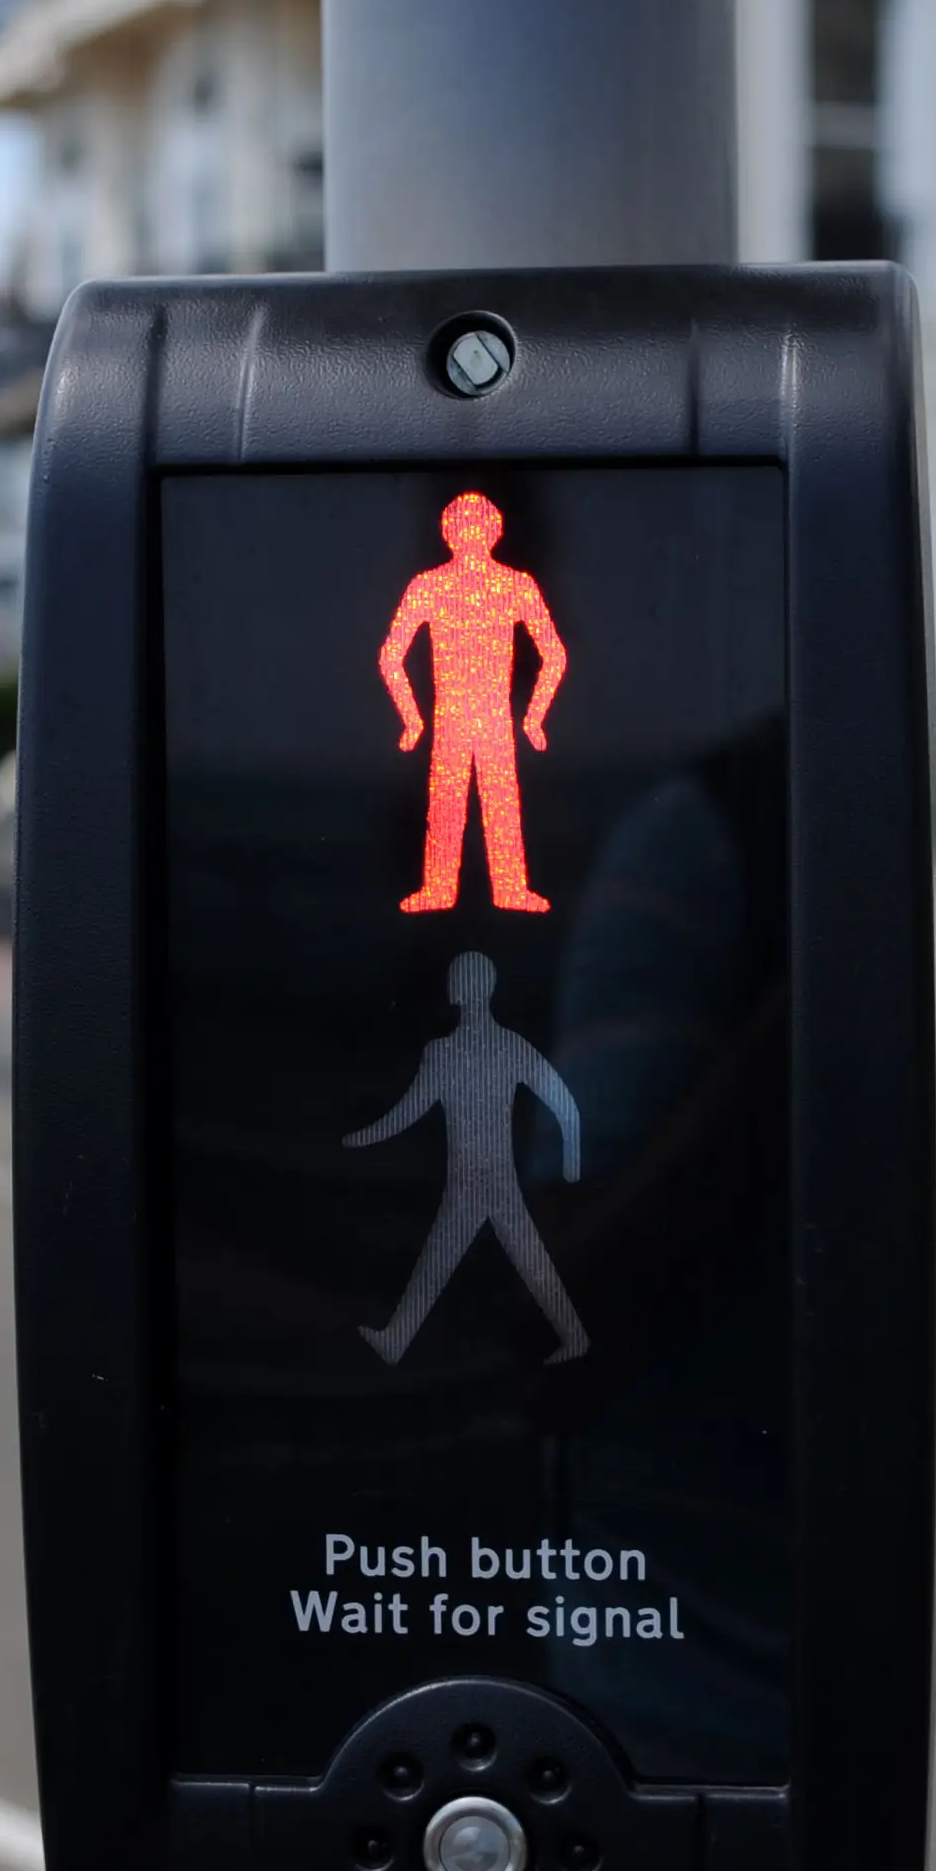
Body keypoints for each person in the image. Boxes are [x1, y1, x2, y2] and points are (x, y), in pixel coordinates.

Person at [343, 951, 588, 1366]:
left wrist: (572, 1161)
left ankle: (572, 1336)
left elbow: (564, 1105)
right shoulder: (456, 1052)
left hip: (490, 1179)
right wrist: (366, 1136)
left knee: (510, 1262)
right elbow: (565, 1107)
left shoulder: (493, 1048)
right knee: (453, 1260)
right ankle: (397, 1339)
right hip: (473, 1180)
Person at [376, 491, 568, 914]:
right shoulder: (428, 586)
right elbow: (391, 655)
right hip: (454, 717)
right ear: (448, 534)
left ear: (495, 532)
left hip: (493, 715)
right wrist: (412, 719)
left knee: (498, 802)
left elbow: (555, 653)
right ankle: (441, 890)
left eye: (478, 527)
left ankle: (508, 890)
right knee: (447, 802)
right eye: (463, 527)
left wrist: (535, 718)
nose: (471, 536)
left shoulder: (516, 585)